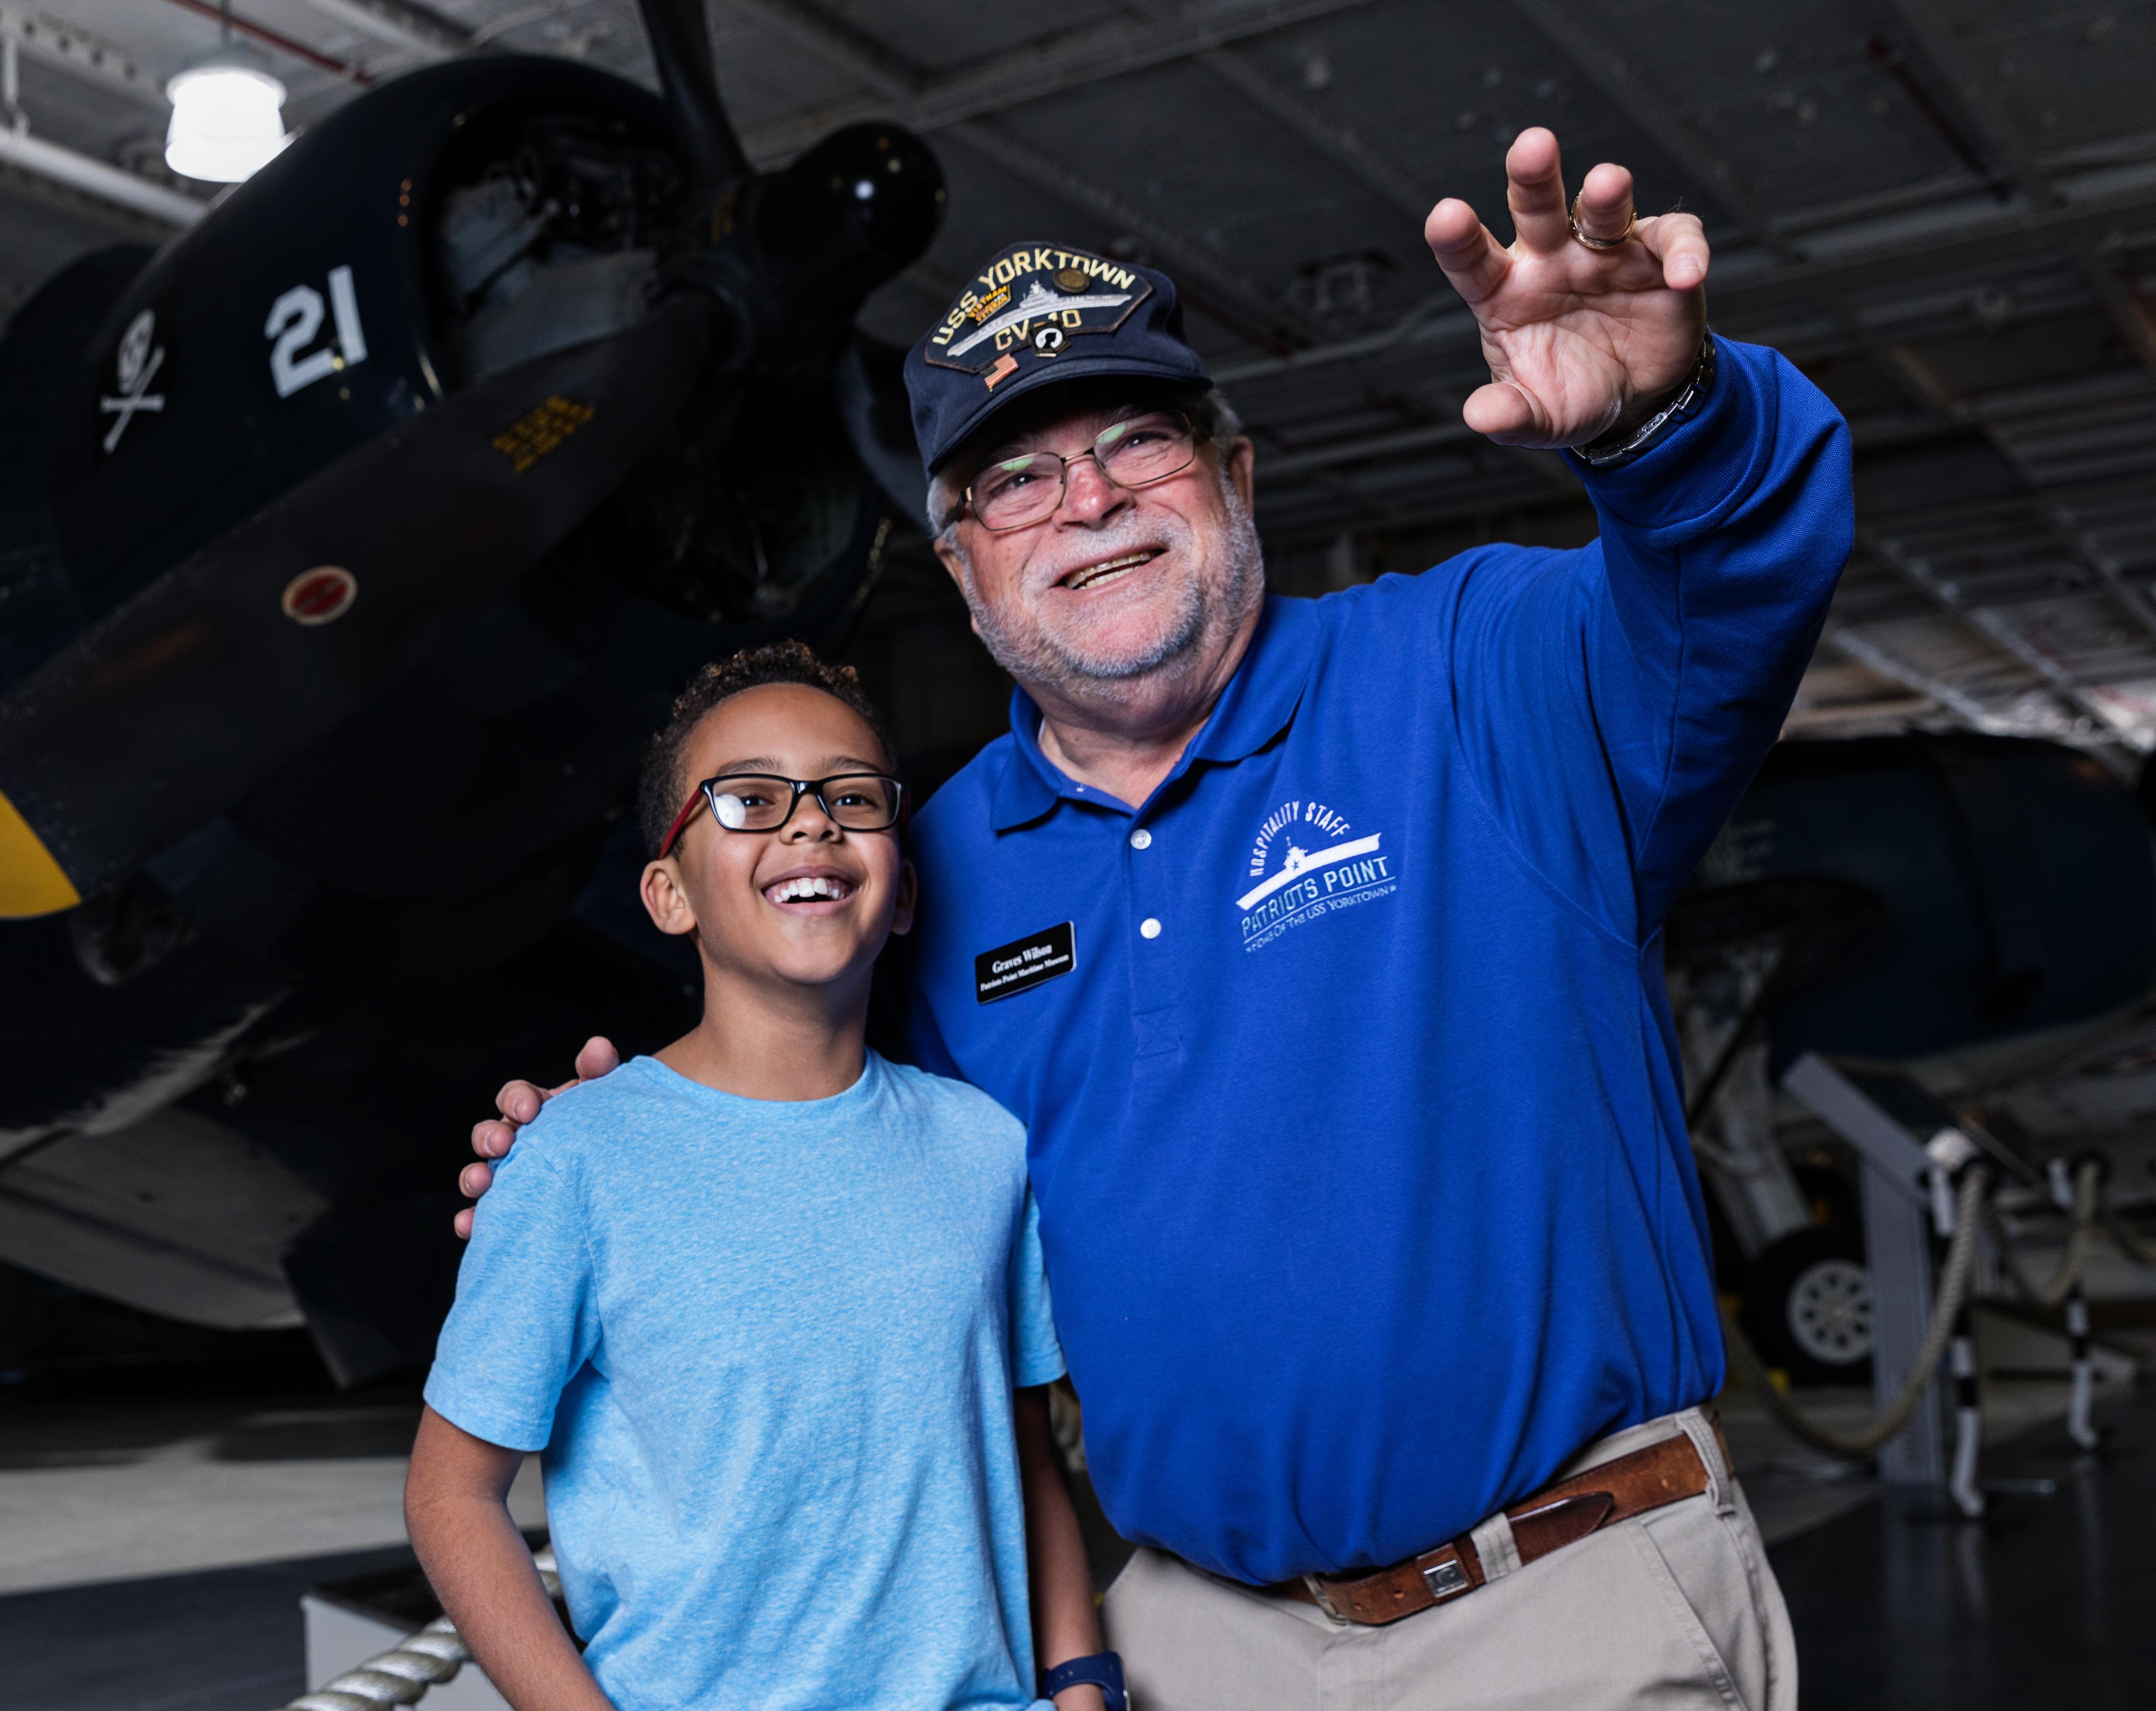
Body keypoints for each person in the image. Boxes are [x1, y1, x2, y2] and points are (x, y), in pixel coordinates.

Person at [458, 128, 1849, 1709]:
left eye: (1140, 439)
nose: (1091, 499)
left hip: (1560, 1600)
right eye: (1018, 476)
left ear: (1235, 474)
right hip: (1192, 1641)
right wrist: (625, 1154)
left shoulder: (1472, 674)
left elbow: (1733, 582)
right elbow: (824, 1137)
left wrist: (1670, 423)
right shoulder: (927, 868)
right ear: (964, 563)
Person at [405, 645, 1117, 1711]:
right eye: (746, 798)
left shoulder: (980, 1145)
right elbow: (450, 1494)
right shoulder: (575, 1156)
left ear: (906, 889)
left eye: (849, 795)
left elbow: (1012, 1445)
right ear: (667, 892)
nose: (809, 821)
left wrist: (1079, 1682)